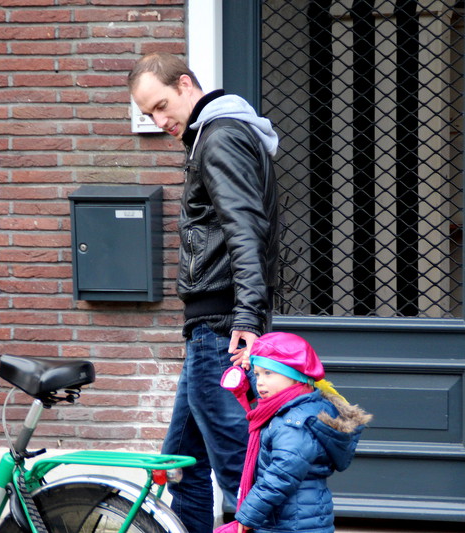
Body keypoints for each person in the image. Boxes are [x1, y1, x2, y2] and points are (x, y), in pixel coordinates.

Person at [128, 52, 280, 533]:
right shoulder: (213, 137)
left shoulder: (219, 138)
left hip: (221, 330)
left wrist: (246, 317)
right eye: (148, 114)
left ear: (185, 84)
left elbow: (245, 231)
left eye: (161, 105)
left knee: (239, 473)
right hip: (211, 328)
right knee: (181, 463)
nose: (159, 121)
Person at [217, 332, 372, 533]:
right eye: (257, 374)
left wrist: (247, 518)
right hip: (293, 520)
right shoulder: (292, 408)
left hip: (293, 524)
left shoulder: (294, 423)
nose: (260, 381)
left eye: (268, 373)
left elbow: (280, 476)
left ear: (295, 376)